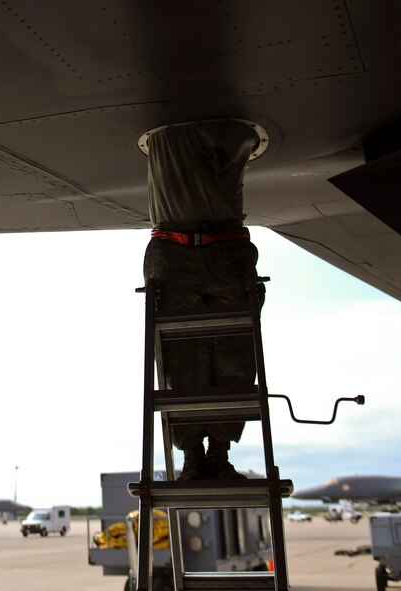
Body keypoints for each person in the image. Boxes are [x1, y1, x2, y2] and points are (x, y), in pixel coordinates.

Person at [142, 120, 264, 481]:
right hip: (181, 249)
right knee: (180, 361)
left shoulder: (207, 147)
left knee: (236, 357)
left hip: (218, 249)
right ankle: (195, 455)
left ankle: (216, 453)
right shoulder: (174, 145)